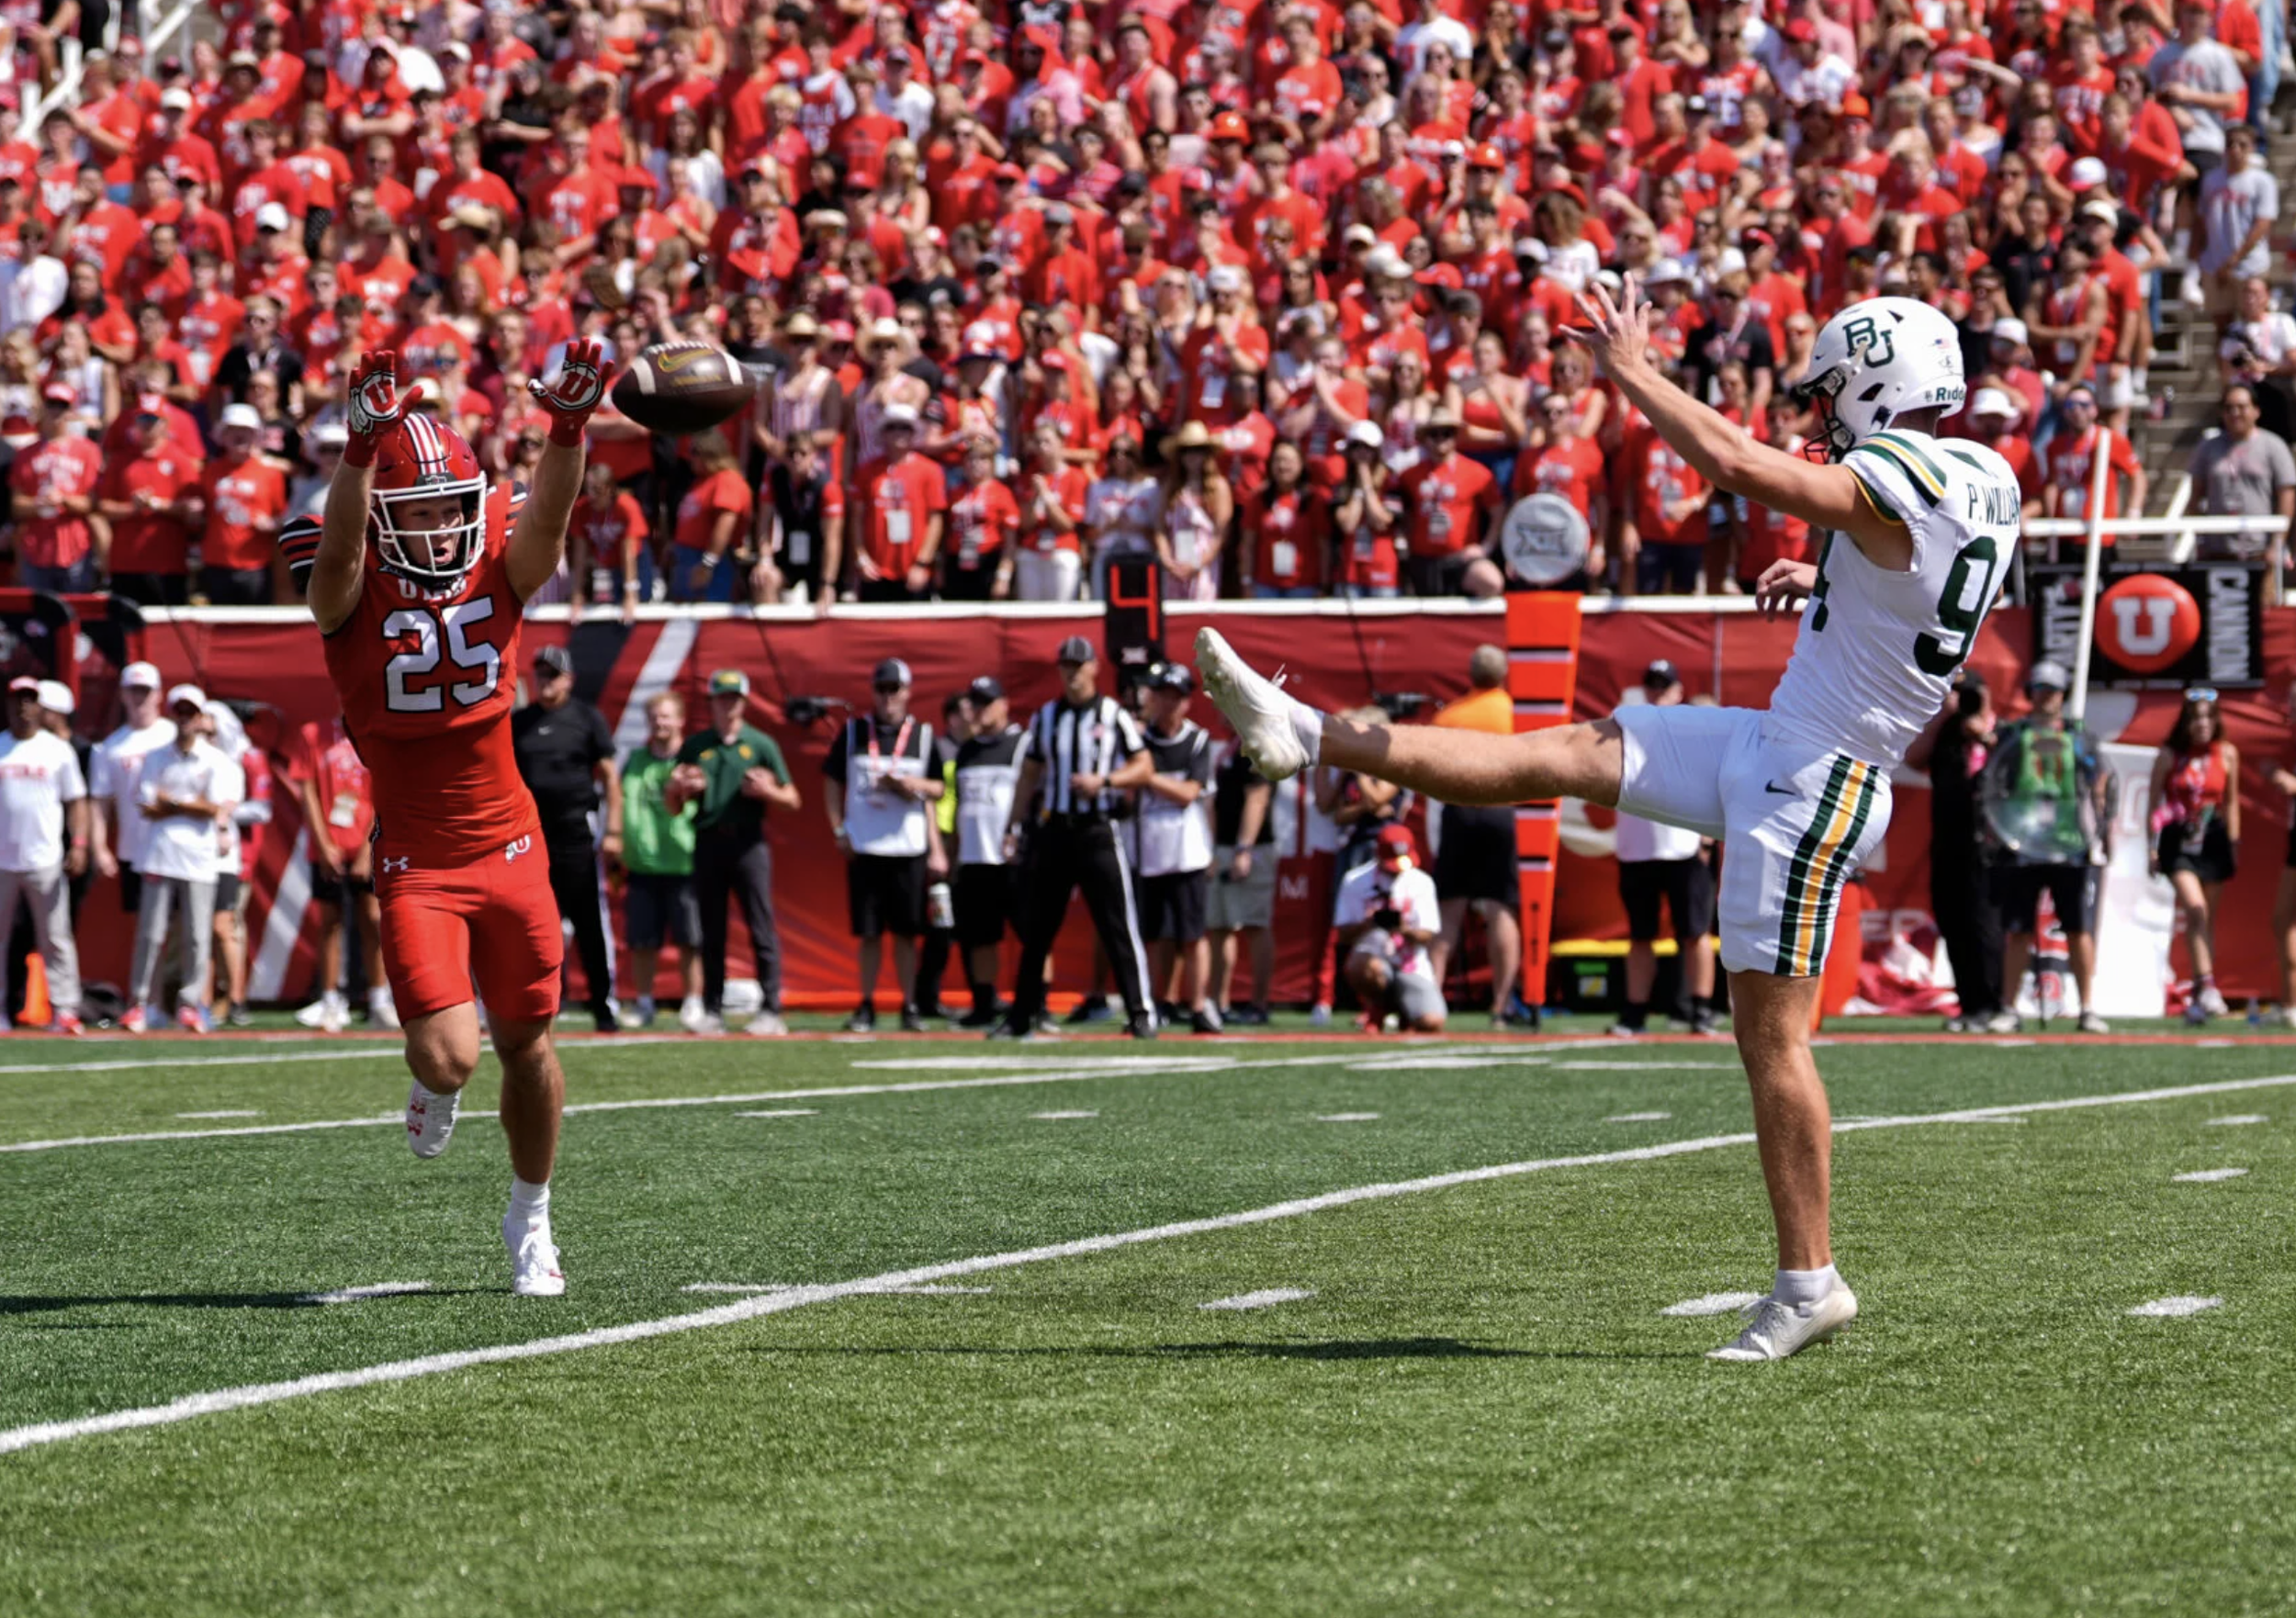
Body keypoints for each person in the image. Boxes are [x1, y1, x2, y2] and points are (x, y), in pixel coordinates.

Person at [1199, 288, 2024, 1361]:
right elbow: (1898, 557)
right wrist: (1819, 564)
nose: (1822, 418)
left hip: (1816, 773)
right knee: (1564, 753)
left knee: (1771, 1038)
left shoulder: (1914, 476)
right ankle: (1305, 730)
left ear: (1880, 383)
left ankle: (1808, 1282)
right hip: (1782, 740)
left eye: (1831, 396)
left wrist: (1631, 372)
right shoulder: (1985, 477)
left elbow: (1735, 464)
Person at [308, 341, 611, 1298]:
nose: (441, 529)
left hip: (512, 845)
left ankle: (531, 1214)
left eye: (451, 509)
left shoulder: (497, 567)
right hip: (419, 862)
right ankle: (434, 1087)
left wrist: (568, 427)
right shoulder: (346, 597)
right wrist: (361, 452)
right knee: (450, 1056)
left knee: (527, 1043)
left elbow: (551, 521)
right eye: (421, 512)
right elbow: (343, 553)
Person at [991, 635, 1158, 1040]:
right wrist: (1013, 826)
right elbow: (1029, 775)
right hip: (1055, 832)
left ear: (1094, 668)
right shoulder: (1047, 716)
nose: (1072, 672)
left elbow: (1144, 766)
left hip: (1098, 829)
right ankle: (1021, 1016)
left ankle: (1140, 1013)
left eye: (1079, 664)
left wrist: (1104, 781)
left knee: (1118, 923)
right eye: (1066, 664)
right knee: (1038, 928)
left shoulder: (1112, 714)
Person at [1980, 661, 2113, 1035]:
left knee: (2077, 927)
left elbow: (2099, 783)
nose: (2045, 696)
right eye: (2039, 688)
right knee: (2019, 928)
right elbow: (1994, 780)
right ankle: (2009, 1007)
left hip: (2069, 843)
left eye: (2052, 690)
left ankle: (2087, 1007)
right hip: (2022, 841)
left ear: (2063, 694)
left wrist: (2100, 829)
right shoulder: (2014, 734)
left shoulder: (2079, 736)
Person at [668, 670, 799, 1036]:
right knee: (712, 929)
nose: (728, 705)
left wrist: (768, 793)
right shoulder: (697, 745)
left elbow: (792, 798)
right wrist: (679, 788)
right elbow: (673, 805)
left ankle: (772, 1009)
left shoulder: (760, 744)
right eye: (722, 698)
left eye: (734, 698)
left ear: (744, 702)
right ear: (712, 702)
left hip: (749, 841)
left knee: (761, 925)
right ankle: (713, 1009)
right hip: (709, 839)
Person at [823, 657, 941, 1031]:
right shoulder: (854, 732)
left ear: (907, 692)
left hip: (908, 845)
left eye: (895, 689)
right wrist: (839, 829)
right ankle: (867, 1004)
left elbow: (939, 787)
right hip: (865, 846)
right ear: (873, 693)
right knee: (869, 932)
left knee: (907, 933)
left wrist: (913, 787)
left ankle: (908, 1006)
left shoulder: (922, 735)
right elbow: (829, 780)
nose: (888, 697)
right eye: (882, 689)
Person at [512, 644, 623, 1035]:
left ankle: (602, 1005)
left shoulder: (586, 719)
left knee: (588, 923)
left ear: (569, 679)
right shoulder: (519, 723)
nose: (545, 681)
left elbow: (610, 776)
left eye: (553, 675)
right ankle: (540, 1002)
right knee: (534, 924)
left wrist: (613, 830)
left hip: (576, 833)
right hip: (530, 837)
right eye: (540, 674)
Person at [1609, 660, 1718, 1036]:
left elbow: (1712, 777)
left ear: (1678, 690)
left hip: (1682, 844)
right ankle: (1635, 1013)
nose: (1658, 693)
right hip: (1637, 847)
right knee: (1641, 935)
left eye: (1664, 686)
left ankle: (1701, 1009)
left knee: (1694, 932)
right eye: (1652, 685)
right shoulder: (1625, 725)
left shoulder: (1691, 729)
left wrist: (1707, 834)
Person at [126, 684, 241, 1035]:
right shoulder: (156, 755)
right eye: (181, 712)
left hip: (200, 858)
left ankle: (190, 1004)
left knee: (196, 935)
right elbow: (147, 804)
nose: (186, 719)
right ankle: (140, 1004)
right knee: (151, 932)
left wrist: (173, 804)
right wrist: (193, 804)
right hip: (160, 855)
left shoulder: (216, 760)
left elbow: (215, 807)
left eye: (192, 713)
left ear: (202, 717)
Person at [1426, 644, 1529, 1028]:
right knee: (1501, 907)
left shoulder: (1449, 715)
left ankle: (1431, 1002)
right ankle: (1501, 1005)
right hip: (1501, 810)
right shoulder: (1515, 714)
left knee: (1448, 909)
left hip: (1459, 811)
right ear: (1502, 675)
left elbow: (1433, 772)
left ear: (1470, 674)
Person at [1908, 669, 2003, 1032]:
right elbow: (1913, 758)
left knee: (1983, 921)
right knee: (1952, 918)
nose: (1963, 698)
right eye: (1956, 691)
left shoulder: (2003, 730)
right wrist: (1943, 715)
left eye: (1969, 692)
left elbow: (2015, 770)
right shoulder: (1945, 729)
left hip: (1988, 843)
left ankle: (1992, 1003)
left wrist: (1985, 735)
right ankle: (1968, 1003)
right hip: (1948, 837)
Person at [1133, 662, 1221, 1034]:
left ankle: (1199, 1004)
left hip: (1188, 849)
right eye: (1162, 695)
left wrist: (1145, 777)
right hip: (1149, 849)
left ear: (1186, 702)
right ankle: (1158, 1001)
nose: (1169, 703)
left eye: (1176, 696)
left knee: (1191, 932)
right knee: (1155, 934)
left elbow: (1190, 794)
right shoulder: (1139, 740)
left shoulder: (1196, 741)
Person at [292, 712, 388, 1033]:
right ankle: (331, 998)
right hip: (328, 844)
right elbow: (307, 791)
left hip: (365, 841)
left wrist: (366, 847)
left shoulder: (376, 730)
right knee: (329, 921)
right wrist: (322, 844)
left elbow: (383, 793)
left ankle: (379, 997)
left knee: (373, 919)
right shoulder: (313, 733)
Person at [2149, 688, 2239, 1025]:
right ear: (2185, 722)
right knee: (2196, 909)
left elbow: (2230, 802)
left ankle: (2201, 994)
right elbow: (2153, 801)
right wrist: (2151, 845)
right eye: (2195, 718)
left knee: (2206, 920)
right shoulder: (2170, 755)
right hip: (2178, 839)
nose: (2201, 725)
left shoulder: (2226, 753)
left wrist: (2234, 842)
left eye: (2207, 718)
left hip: (2213, 838)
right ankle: (2208, 985)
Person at [0, 676, 85, 1034]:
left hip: (45, 858)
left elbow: (76, 800)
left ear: (40, 706)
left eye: (30, 700)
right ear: (8, 705)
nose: (23, 707)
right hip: (2, 860)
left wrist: (78, 843)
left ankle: (64, 1009)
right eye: (18, 700)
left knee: (55, 936)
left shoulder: (57, 750)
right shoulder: (1, 745)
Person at [618, 691, 705, 1032]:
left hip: (684, 862)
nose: (660, 722)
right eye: (654, 716)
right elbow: (623, 799)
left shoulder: (692, 760)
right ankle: (644, 1003)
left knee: (690, 940)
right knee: (642, 942)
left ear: (681, 719)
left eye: (666, 716)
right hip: (642, 864)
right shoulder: (637, 758)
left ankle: (693, 1003)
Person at [949, 675, 1025, 1028]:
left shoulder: (1023, 744)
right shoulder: (967, 749)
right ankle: (984, 1002)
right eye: (976, 703)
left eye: (988, 702)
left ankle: (1034, 1000)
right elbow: (959, 805)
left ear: (1004, 703)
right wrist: (952, 855)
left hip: (1013, 857)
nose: (981, 710)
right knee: (980, 936)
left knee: (1030, 932)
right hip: (974, 856)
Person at [1334, 823, 1446, 1032]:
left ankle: (1405, 1012)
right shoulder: (1355, 880)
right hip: (1375, 961)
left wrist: (1403, 929)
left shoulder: (1421, 882)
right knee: (1365, 966)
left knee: (1432, 1023)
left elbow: (1428, 934)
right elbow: (1343, 935)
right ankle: (1376, 1008)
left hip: (1411, 965)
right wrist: (1368, 923)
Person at [87, 661, 173, 920]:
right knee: (146, 923)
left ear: (158, 694)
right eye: (133, 690)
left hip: (174, 846)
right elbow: (100, 802)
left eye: (145, 691)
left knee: (181, 923)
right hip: (134, 849)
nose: (139, 698)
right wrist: (99, 847)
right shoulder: (110, 747)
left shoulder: (172, 736)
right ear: (123, 694)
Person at [1205, 739, 1277, 1028]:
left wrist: (1244, 848)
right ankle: (1219, 1003)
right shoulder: (1229, 748)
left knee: (1255, 924)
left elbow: (1258, 796)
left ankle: (1259, 1003)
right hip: (1223, 845)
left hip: (1251, 848)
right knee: (1221, 926)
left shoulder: (1256, 742)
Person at [2188, 385, 2296, 568]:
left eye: (2241, 407)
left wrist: (2277, 544)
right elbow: (2194, 498)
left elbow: (2287, 496)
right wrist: (2201, 540)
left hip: (2259, 550)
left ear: (2256, 411)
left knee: (2265, 598)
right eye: (2229, 408)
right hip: (2218, 551)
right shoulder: (2208, 447)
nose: (2235, 413)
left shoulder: (2273, 446)